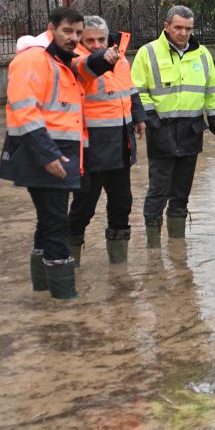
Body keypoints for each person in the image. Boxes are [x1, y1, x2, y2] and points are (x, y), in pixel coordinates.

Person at [0, 6, 120, 300]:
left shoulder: (62, 61)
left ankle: (43, 293)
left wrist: (104, 60)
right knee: (56, 224)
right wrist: (48, 154)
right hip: (42, 153)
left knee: (48, 220)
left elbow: (83, 70)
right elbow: (24, 110)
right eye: (67, 31)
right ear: (51, 29)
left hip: (56, 152)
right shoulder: (33, 60)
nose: (73, 38)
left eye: (78, 33)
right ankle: (65, 300)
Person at [131, 5, 215, 248]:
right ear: (166, 26)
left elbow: (212, 92)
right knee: (158, 191)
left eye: (188, 28)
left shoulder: (202, 54)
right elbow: (138, 90)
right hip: (161, 130)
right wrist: (151, 120)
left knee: (181, 192)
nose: (183, 33)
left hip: (191, 131)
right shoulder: (148, 52)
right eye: (178, 28)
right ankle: (154, 249)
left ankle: (177, 247)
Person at [66, 17, 145, 265]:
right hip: (91, 150)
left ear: (108, 38)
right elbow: (88, 67)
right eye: (89, 40)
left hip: (121, 144)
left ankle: (119, 268)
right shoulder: (74, 60)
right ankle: (67, 263)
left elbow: (129, 90)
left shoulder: (120, 59)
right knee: (83, 208)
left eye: (101, 39)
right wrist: (102, 57)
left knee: (122, 204)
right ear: (81, 40)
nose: (96, 45)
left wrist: (139, 117)